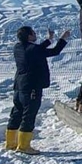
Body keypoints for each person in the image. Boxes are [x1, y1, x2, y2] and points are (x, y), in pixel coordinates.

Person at [7, 26, 70, 154]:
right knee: (28, 115)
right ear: (29, 36)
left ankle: (10, 143)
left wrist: (49, 39)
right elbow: (55, 51)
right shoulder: (34, 50)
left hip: (19, 86)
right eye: (34, 33)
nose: (35, 35)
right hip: (31, 87)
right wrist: (63, 38)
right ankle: (24, 146)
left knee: (16, 113)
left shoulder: (17, 47)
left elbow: (37, 49)